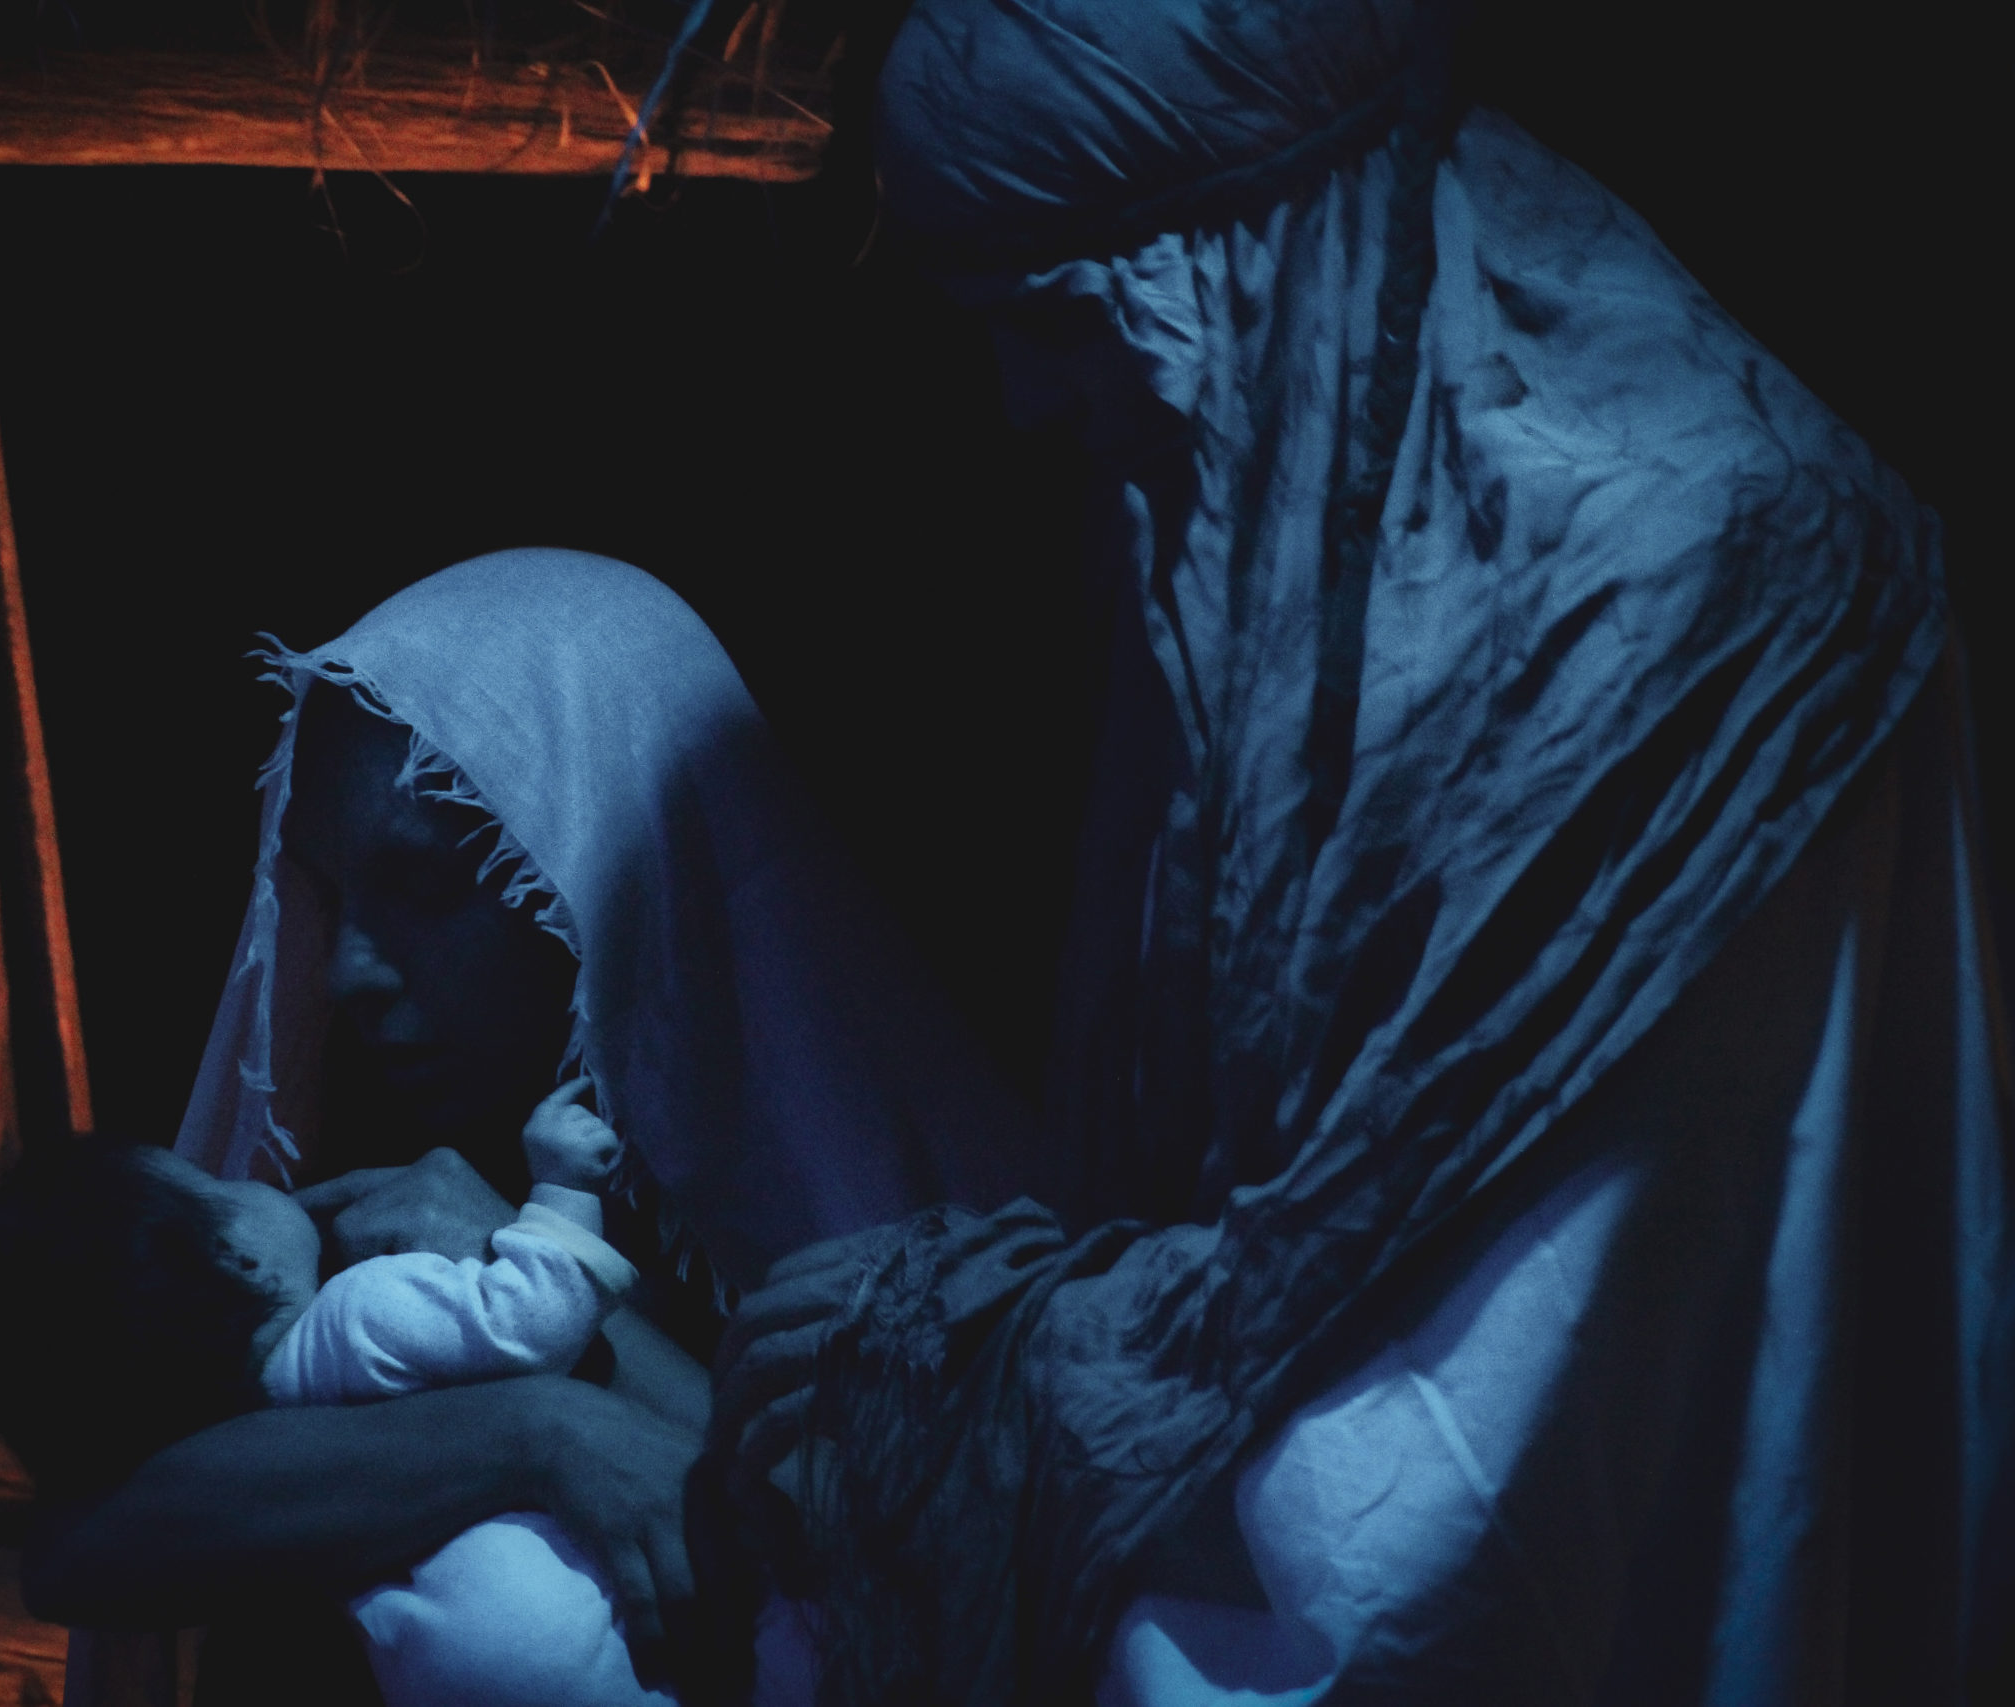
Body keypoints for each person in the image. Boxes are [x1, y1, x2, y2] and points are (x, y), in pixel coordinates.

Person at [715, 0, 2012, 1702]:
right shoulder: (1272, 486)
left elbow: (1492, 1432)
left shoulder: (1692, 584)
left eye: (1053, 316)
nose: (1023, 402)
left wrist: (967, 1349)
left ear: (1238, 254)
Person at [20, 549, 1036, 1702]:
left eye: (422, 890)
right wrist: (532, 1429)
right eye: (330, 895)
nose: (346, 972)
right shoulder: (350, 1188)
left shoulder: (904, 1199)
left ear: (597, 865)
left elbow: (945, 1575)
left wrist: (559, 1305)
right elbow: (82, 1547)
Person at [0, 1085, 671, 1707]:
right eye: (222, 1183)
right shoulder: (356, 1312)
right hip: (570, 1644)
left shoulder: (253, 1421)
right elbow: (535, 1319)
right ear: (238, 1257)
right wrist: (560, 1187)